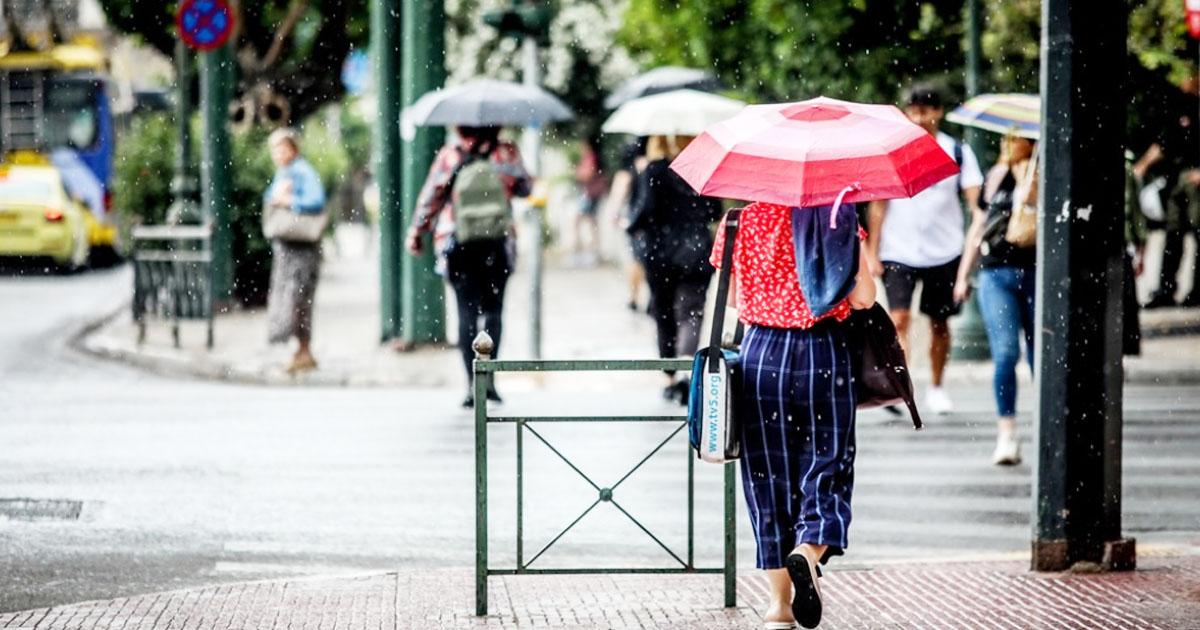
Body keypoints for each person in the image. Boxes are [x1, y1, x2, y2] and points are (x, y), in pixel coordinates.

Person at [711, 201, 876, 629]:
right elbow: (864, 297)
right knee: (828, 463)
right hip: (822, 350)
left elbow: (729, 297)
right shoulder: (837, 217)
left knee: (767, 478)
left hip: (760, 355)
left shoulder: (737, 221)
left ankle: (778, 607)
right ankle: (808, 549)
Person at [866, 86, 983, 415]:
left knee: (939, 322)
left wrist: (977, 230)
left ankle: (936, 385)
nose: (918, 118)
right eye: (913, 111)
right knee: (899, 318)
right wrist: (872, 252)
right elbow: (879, 205)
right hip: (898, 248)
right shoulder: (894, 151)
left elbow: (975, 201)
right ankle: (902, 384)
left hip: (944, 250)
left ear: (938, 112)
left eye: (925, 111)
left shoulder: (957, 152)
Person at [406, 125, 532, 408]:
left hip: (458, 241)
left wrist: (417, 231)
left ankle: (471, 382)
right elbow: (527, 187)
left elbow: (431, 196)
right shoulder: (506, 152)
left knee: (466, 312)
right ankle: (490, 381)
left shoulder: (450, 155)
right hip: (498, 242)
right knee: (494, 311)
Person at [954, 132, 1038, 465]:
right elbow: (980, 224)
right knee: (1005, 352)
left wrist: (1029, 184)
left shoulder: (1041, 171)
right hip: (995, 272)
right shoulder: (995, 174)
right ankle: (1007, 432)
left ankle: (1045, 426)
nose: (1009, 144)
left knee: (1039, 356)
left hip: (1035, 271)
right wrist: (963, 274)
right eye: (1006, 139)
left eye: (1016, 139)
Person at [627, 134, 723, 404]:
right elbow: (714, 211)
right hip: (696, 252)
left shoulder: (656, 170)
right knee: (691, 313)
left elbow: (645, 211)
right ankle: (685, 371)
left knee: (663, 313)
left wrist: (629, 224)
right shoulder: (702, 168)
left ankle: (670, 378)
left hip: (661, 253)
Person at [1135, 73, 1200, 308]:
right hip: (1173, 177)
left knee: (1197, 232)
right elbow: (1163, 143)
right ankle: (1166, 288)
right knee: (1174, 234)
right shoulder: (1176, 106)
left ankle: (1196, 291)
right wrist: (1141, 167)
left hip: (1193, 175)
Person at [264, 128, 326, 373]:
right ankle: (299, 350)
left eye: (281, 148)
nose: (277, 154)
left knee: (298, 298)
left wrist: (290, 201)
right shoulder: (286, 172)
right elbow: (270, 197)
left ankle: (303, 351)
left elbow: (316, 200)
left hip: (302, 248)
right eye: (274, 150)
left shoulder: (301, 171)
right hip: (289, 247)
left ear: (293, 148)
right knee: (293, 298)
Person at [604, 136, 650, 311]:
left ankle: (633, 298)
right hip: (654, 217)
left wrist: (615, 213)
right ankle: (650, 297)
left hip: (635, 218)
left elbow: (622, 184)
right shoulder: (658, 157)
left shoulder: (632, 155)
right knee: (648, 259)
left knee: (636, 259)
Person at [572, 138, 608, 261]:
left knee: (580, 221)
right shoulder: (592, 157)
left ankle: (585, 250)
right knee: (591, 222)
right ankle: (592, 250)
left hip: (589, 193)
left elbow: (589, 173)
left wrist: (578, 173)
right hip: (591, 192)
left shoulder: (591, 157)